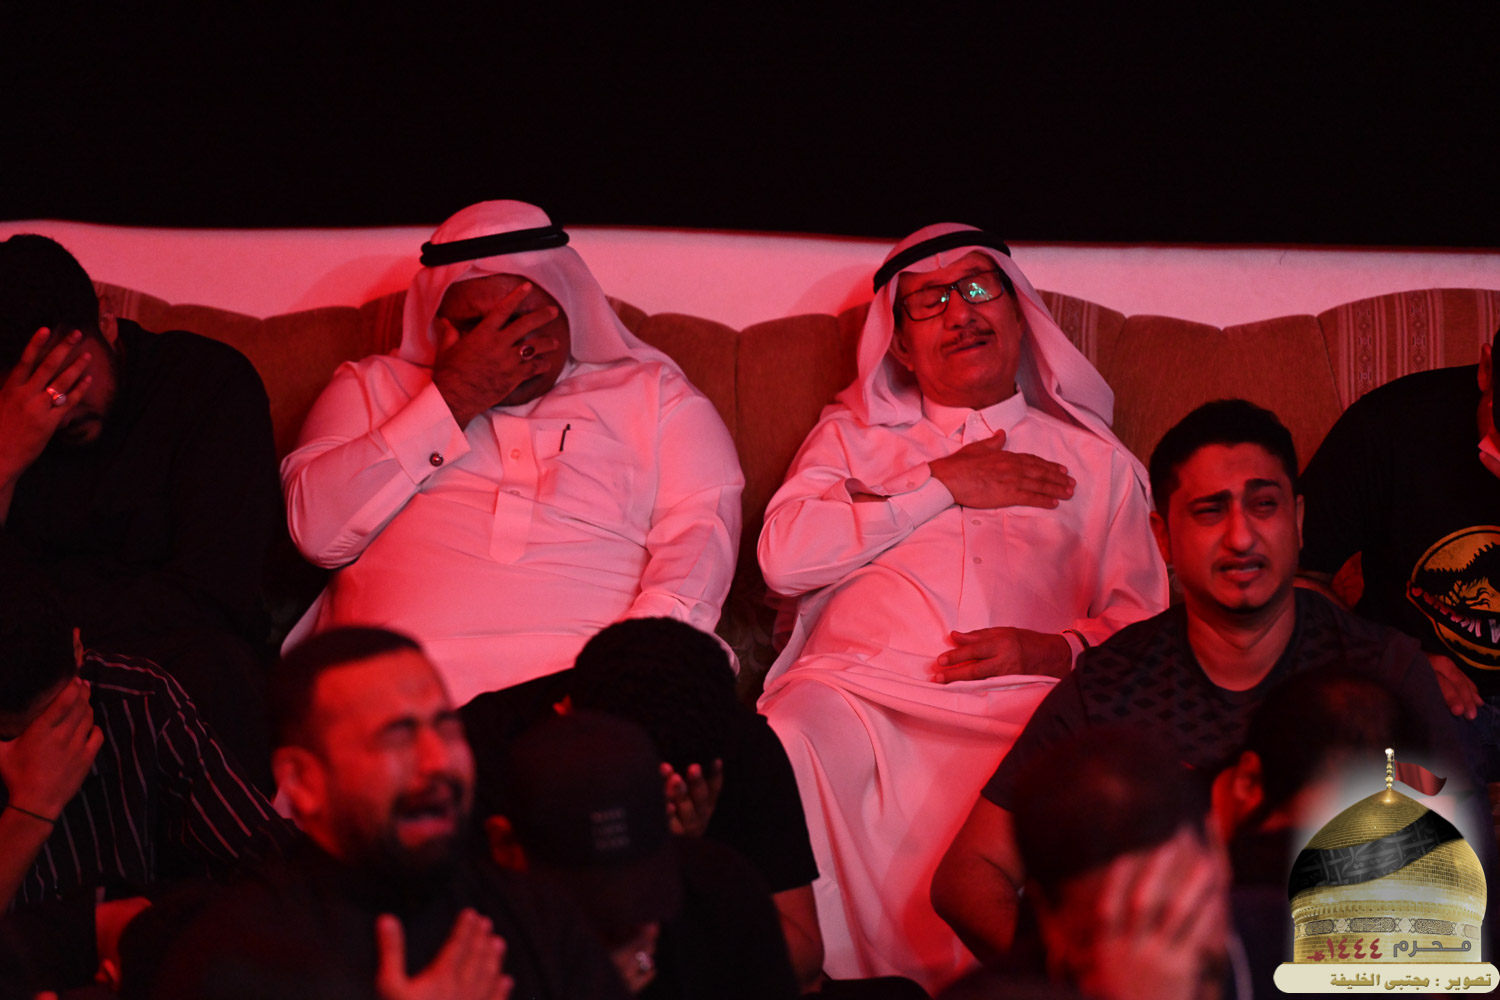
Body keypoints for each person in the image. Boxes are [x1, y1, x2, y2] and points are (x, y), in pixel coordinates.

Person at [757, 223, 1168, 992]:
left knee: (1081, 770)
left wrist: (1051, 650)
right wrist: (940, 484)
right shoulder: (850, 439)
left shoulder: (1097, 461)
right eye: (930, 302)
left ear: (1020, 313)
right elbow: (784, 558)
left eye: (979, 289)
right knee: (788, 734)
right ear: (901, 345)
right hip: (855, 693)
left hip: (1023, 703)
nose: (961, 313)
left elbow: (1146, 626)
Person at [932, 398, 1470, 966]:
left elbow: (1461, 880)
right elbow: (967, 874)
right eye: (1210, 512)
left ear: (1298, 521)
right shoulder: (1107, 685)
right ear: (1163, 538)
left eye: (1264, 505)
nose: (1241, 537)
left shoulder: (1381, 671)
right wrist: (1084, 978)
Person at [282, 201, 743, 706]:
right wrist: (452, 399)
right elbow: (317, 536)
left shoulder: (657, 395)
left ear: (568, 307)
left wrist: (631, 665)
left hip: (593, 684)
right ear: (439, 325)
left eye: (522, 319)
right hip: (406, 690)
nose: (502, 346)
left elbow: (702, 537)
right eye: (475, 326)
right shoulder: (369, 386)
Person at [146, 626, 627, 999]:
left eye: (446, 728)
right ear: (302, 781)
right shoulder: (234, 959)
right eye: (396, 737)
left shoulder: (534, 913)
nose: (437, 763)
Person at [0, 233, 282, 781]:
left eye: (65, 379)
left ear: (106, 321)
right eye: (32, 393)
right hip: (34, 672)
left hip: (180, 657)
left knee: (217, 669)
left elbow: (216, 591)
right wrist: (6, 461)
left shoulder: (206, 383)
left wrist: (56, 627)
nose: (59, 410)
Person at [0, 560, 290, 994]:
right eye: (13, 734)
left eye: (60, 714)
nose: (50, 742)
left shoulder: (135, 699)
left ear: (79, 650)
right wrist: (31, 808)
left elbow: (265, 853)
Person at [481, 709, 800, 1000]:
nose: (628, 926)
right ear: (505, 847)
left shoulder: (721, 892)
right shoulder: (473, 949)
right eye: (589, 903)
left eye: (643, 891)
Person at [1299, 327, 1500, 779]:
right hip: (1426, 696)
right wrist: (1389, 656)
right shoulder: (1391, 424)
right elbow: (1294, 580)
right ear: (1486, 369)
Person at [940, 728, 1233, 1000]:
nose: (1163, 962)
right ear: (1049, 920)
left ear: (1218, 848)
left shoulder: (1262, 938)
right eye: (1117, 928)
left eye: (1182, 913)